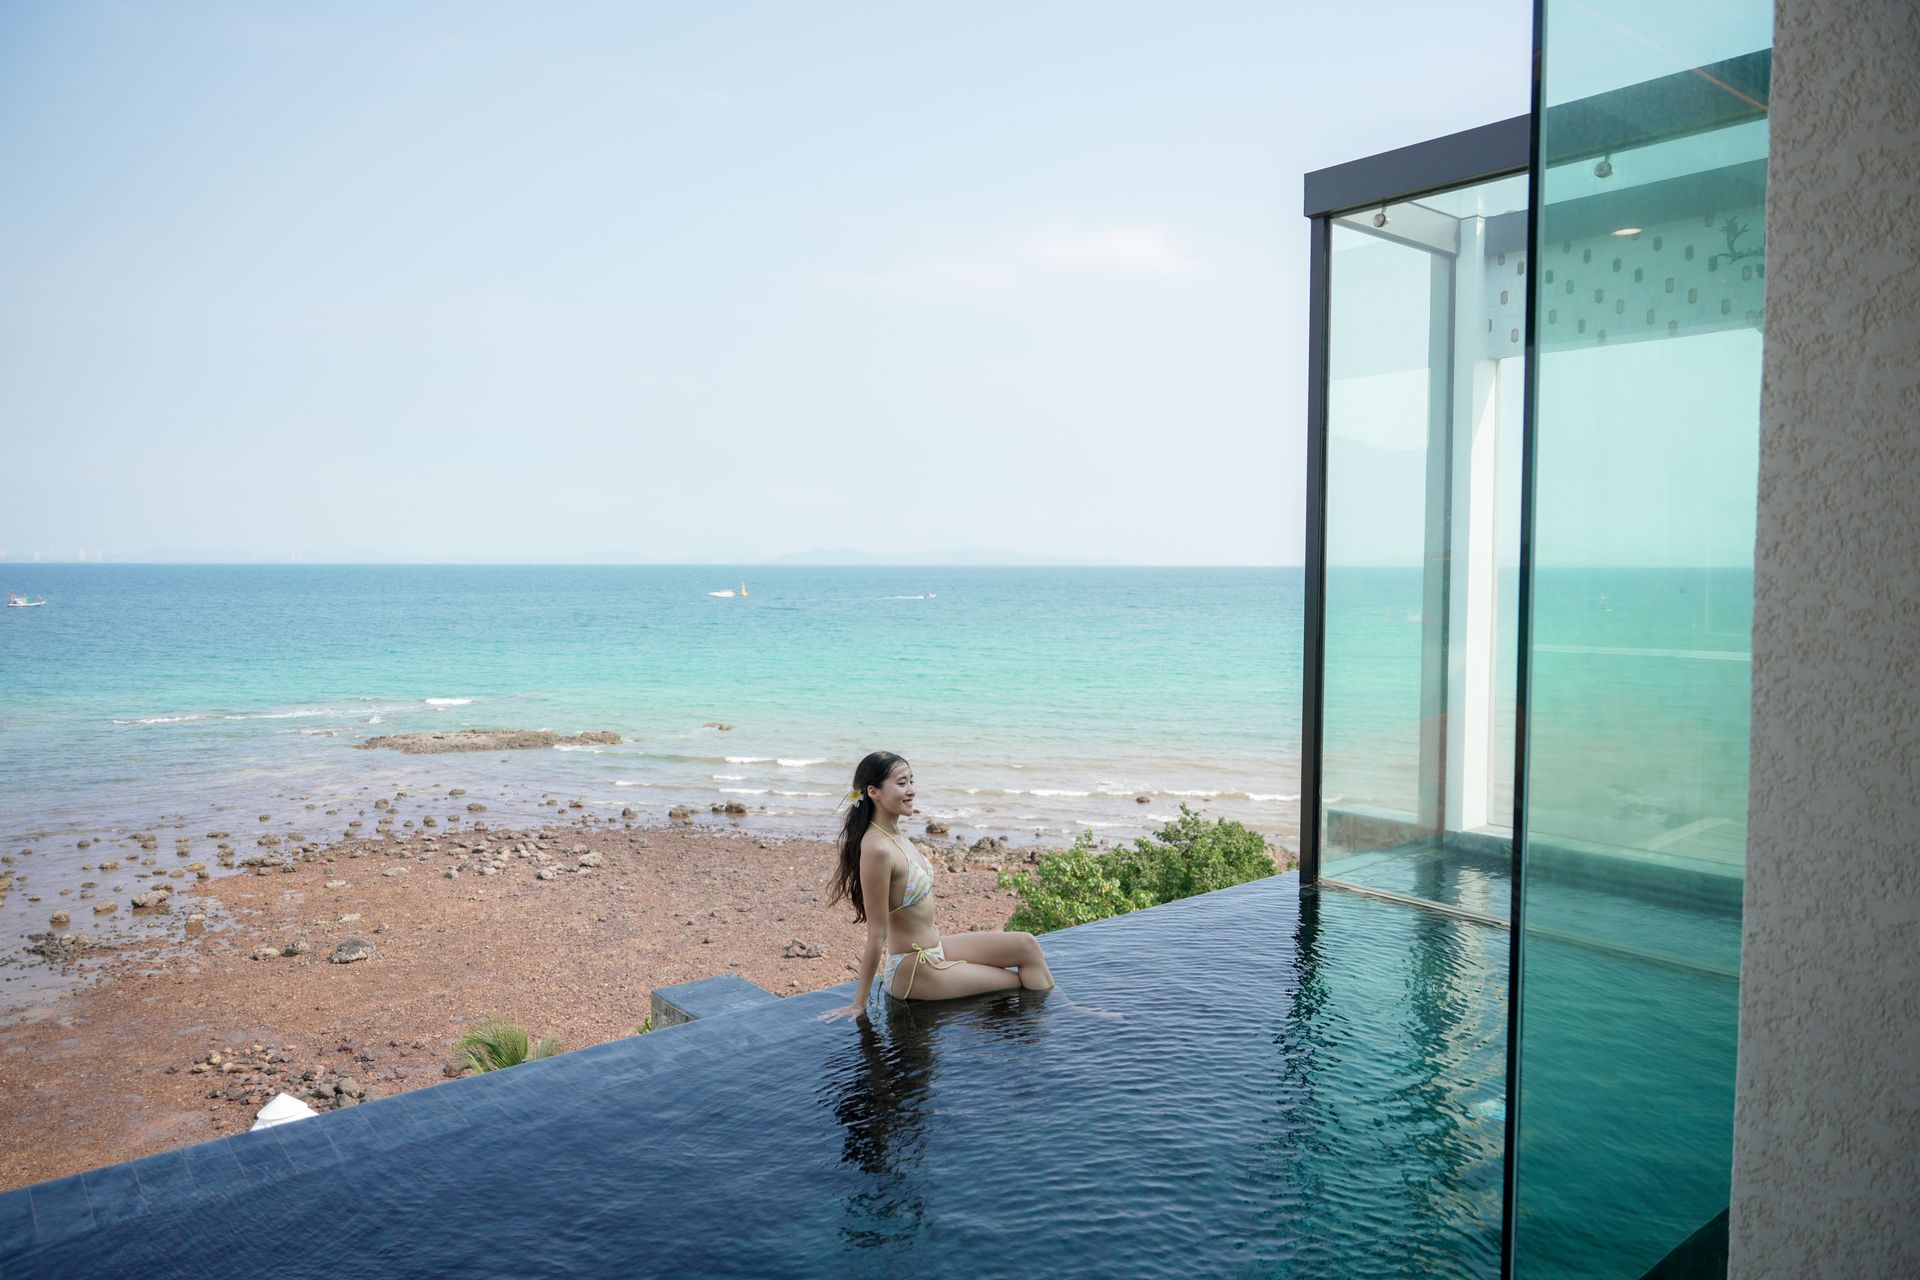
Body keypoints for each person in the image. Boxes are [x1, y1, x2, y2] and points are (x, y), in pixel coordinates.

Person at [817, 751, 1055, 1022]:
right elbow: (876, 934)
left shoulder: (897, 835)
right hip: (914, 970)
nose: (912, 791)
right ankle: (1059, 1026)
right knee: (1017, 981)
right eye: (902, 783)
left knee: (1026, 944)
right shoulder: (877, 848)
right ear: (874, 792)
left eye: (911, 781)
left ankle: (1066, 1010)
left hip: (936, 949)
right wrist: (859, 1003)